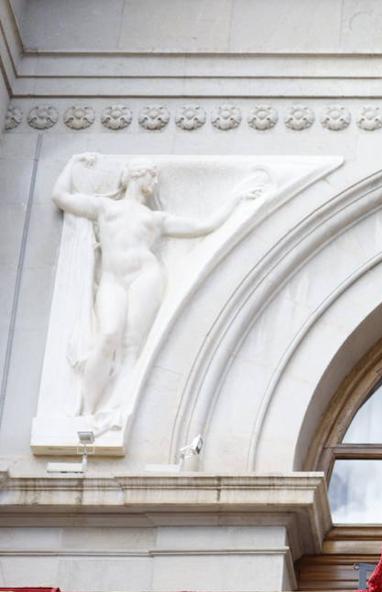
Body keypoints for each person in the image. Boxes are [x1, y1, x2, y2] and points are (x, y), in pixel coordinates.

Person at [51, 153, 264, 418]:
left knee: (132, 346)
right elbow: (61, 197)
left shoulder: (155, 219)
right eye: (152, 175)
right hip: (112, 280)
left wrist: (236, 200)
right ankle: (86, 412)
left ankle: (119, 408)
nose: (154, 181)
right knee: (108, 336)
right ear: (138, 175)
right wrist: (73, 163)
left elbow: (203, 225)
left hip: (146, 276)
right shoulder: (105, 209)